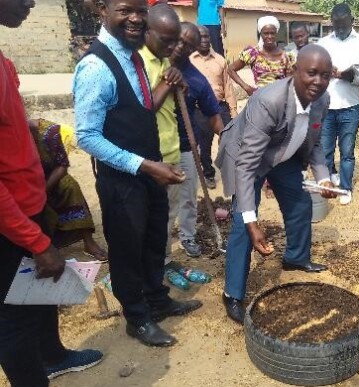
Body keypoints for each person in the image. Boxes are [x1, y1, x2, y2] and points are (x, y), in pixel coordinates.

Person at [74, 0, 200, 347]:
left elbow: (141, 110)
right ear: (103, 11)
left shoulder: (135, 59)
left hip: (150, 172)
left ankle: (157, 300)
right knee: (127, 249)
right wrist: (143, 165)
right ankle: (137, 317)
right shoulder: (96, 67)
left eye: (140, 11)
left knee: (153, 239)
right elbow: (86, 136)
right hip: (122, 179)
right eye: (125, 10)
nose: (135, 18)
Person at [0, 1, 103, 385]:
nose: (31, 3)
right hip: (9, 223)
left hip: (29, 205)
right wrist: (35, 241)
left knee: (39, 289)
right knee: (13, 318)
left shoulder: (3, 59)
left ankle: (53, 355)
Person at [216, 45, 335, 323]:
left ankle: (296, 257)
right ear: (294, 72)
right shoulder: (269, 100)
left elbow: (314, 143)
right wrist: (252, 221)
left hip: (283, 153)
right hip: (246, 156)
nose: (318, 81)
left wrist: (325, 177)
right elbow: (247, 165)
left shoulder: (322, 100)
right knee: (242, 225)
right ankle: (232, 293)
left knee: (300, 203)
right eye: (311, 73)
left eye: (325, 75)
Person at [139, 4, 196, 289]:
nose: (174, 47)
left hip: (171, 151)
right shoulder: (136, 61)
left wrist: (179, 84)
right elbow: (142, 111)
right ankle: (148, 270)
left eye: (178, 41)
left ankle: (161, 262)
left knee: (167, 216)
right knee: (149, 219)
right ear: (148, 32)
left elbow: (172, 102)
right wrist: (165, 84)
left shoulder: (163, 61)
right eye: (168, 40)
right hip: (152, 158)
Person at [173, 22, 224, 260]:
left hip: (185, 146)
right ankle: (160, 250)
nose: (180, 47)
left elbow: (213, 115)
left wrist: (227, 139)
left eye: (188, 45)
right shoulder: (149, 67)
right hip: (151, 147)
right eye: (178, 40)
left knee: (187, 197)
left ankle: (188, 235)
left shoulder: (196, 79)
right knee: (161, 203)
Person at [28, 118, 108, 261]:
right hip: (25, 181)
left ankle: (88, 242)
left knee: (69, 185)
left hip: (49, 178)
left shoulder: (49, 132)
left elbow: (62, 166)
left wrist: (42, 190)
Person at [317, 3, 359, 205]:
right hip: (326, 108)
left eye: (343, 25)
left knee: (347, 153)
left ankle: (346, 188)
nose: (339, 29)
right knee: (326, 150)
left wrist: (343, 74)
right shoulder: (323, 42)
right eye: (335, 25)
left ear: (352, 22)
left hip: (350, 107)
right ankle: (330, 178)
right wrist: (325, 72)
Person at [190, 24, 238, 190]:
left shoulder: (220, 60)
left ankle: (229, 171)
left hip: (220, 107)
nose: (204, 40)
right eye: (200, 37)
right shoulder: (189, 61)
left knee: (229, 140)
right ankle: (209, 173)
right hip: (201, 110)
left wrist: (233, 110)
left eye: (207, 37)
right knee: (204, 145)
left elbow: (228, 87)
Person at [228, 16, 295, 97]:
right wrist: (247, 88)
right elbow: (231, 69)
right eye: (266, 33)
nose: (269, 36)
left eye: (272, 33)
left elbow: (290, 83)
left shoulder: (286, 57)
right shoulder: (253, 54)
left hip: (280, 102)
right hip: (260, 101)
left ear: (276, 33)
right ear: (260, 34)